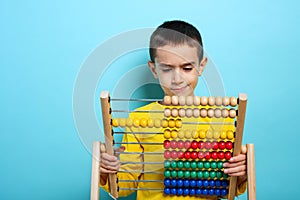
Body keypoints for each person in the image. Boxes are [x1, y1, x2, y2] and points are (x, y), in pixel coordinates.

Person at [100, 20, 247, 199]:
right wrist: (107, 171)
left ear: (201, 66)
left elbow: (226, 191)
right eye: (167, 69)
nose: (177, 79)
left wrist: (240, 175)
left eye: (186, 68)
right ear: (154, 70)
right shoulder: (139, 120)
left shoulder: (221, 120)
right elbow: (124, 186)